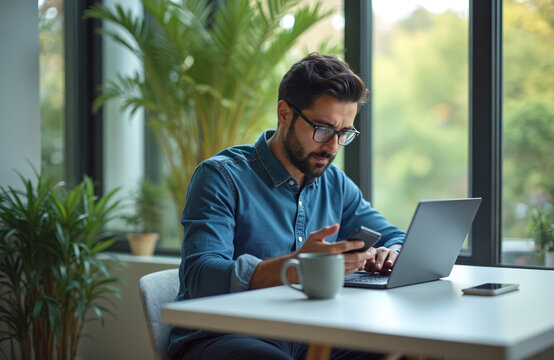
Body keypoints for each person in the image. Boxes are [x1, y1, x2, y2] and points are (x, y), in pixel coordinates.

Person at [168, 53, 406, 360]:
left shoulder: (334, 182)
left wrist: (392, 251)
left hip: (307, 333)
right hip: (222, 336)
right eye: (322, 129)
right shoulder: (220, 177)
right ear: (284, 113)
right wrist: (296, 268)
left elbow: (390, 234)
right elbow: (201, 276)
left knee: (399, 348)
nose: (333, 147)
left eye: (344, 133)